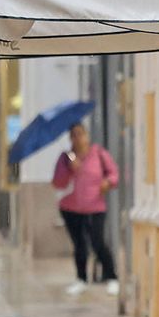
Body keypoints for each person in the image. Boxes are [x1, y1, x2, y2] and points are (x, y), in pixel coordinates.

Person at [51, 122, 120, 296]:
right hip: (70, 208)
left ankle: (111, 276)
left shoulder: (98, 154)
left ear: (87, 135)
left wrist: (108, 182)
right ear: (70, 138)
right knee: (79, 245)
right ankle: (81, 279)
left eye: (81, 133)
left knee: (97, 241)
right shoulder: (66, 158)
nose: (78, 138)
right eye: (74, 134)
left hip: (95, 206)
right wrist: (69, 169)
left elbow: (114, 174)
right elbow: (57, 182)